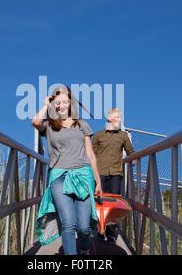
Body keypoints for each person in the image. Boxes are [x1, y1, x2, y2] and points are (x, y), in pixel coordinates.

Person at [32, 86, 103, 255]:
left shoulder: (82, 125)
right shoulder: (50, 125)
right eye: (57, 102)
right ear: (53, 105)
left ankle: (85, 249)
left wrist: (98, 181)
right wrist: (45, 104)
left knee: (83, 227)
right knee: (68, 223)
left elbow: (90, 154)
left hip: (83, 175)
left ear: (70, 103)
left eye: (65, 101)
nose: (61, 105)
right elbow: (35, 122)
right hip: (59, 176)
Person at [92, 108, 134, 243]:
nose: (119, 120)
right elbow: (91, 154)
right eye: (116, 117)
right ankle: (99, 230)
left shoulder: (123, 136)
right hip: (100, 173)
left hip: (116, 173)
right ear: (109, 119)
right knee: (99, 202)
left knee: (114, 204)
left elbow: (130, 151)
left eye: (120, 118)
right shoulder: (98, 135)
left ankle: (111, 234)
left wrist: (133, 159)